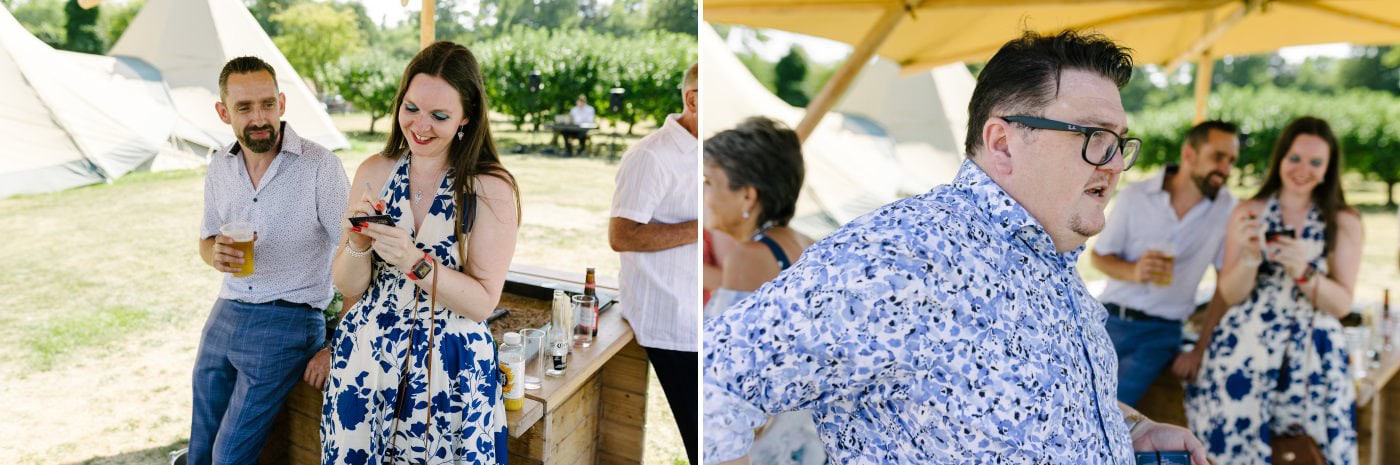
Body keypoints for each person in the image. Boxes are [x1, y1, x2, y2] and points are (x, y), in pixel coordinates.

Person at [703, 30, 1209, 464]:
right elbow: (716, 385)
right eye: (1095, 136)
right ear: (1003, 142)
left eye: (1119, 141)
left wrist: (1132, 428)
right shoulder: (901, 254)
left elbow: (1034, 393)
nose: (1116, 163)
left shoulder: (1050, 257)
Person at [319, 41, 520, 464]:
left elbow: (483, 302)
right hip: (366, 362)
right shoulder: (374, 171)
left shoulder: (490, 189)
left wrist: (415, 261)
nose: (420, 125)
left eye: (440, 116)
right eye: (411, 108)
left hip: (450, 369)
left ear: (467, 117)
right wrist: (357, 243)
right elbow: (347, 284)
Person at [192, 56, 348, 465]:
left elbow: (357, 259)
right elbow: (206, 239)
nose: (259, 117)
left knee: (228, 457)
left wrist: (337, 345)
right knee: (199, 447)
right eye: (244, 108)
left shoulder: (320, 166)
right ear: (224, 112)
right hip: (226, 309)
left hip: (289, 318)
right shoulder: (219, 165)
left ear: (281, 102)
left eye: (267, 104)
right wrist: (215, 254)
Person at [1185, 116, 1361, 465]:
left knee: (1306, 452)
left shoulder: (1343, 220)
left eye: (1315, 162)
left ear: (1328, 170)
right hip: (1245, 353)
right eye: (1295, 158)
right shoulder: (1248, 211)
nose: (1302, 169)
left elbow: (1342, 304)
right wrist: (1250, 258)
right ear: (1280, 159)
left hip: (1313, 362)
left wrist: (1304, 271)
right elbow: (1231, 294)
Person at [1090, 120, 1240, 406]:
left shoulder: (1227, 210)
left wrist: (1199, 349)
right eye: (1218, 157)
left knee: (1112, 407)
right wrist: (1133, 271)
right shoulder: (1136, 196)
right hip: (1110, 320)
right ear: (1189, 154)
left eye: (1231, 160)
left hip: (1161, 334)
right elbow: (1099, 257)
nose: (1226, 169)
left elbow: (1225, 286)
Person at [702, 116, 821, 465]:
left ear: (747, 195)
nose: (704, 194)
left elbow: (727, 394)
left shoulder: (751, 258)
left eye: (709, 182)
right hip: (803, 443)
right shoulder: (806, 244)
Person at [609, 62, 700, 464]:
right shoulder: (651, 157)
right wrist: (701, 227)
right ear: (693, 100)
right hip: (669, 320)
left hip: (700, 312)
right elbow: (621, 235)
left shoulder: (709, 149)